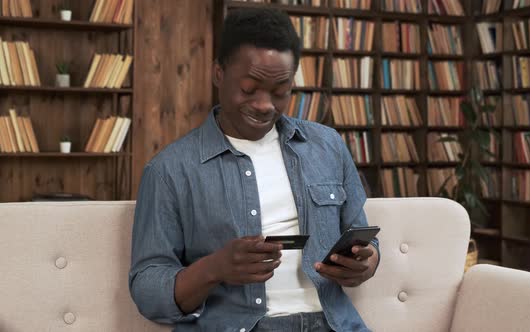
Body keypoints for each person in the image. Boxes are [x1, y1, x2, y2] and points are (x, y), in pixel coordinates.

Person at [129, 7, 380, 332]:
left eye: (280, 92)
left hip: (334, 324)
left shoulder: (327, 145)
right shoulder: (169, 171)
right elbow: (148, 290)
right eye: (249, 89)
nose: (265, 105)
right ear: (218, 73)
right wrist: (214, 268)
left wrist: (366, 262)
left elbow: (363, 240)